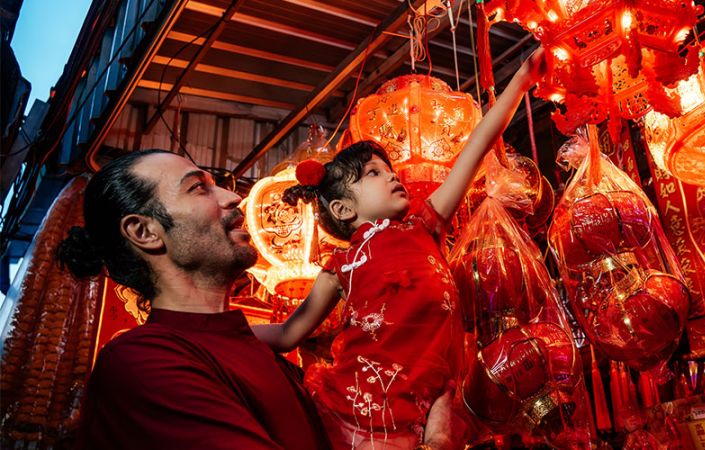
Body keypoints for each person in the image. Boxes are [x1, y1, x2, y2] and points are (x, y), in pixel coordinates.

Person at [57, 149, 454, 449]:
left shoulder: (271, 361)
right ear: (144, 232)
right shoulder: (143, 363)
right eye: (199, 188)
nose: (233, 197)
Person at [251, 49, 547, 449]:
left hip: (421, 415)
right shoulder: (340, 266)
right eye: (374, 173)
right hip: (351, 416)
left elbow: (475, 148)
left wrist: (521, 83)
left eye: (389, 170)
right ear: (342, 208)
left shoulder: (424, 227)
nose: (392, 177)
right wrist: (213, 331)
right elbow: (289, 333)